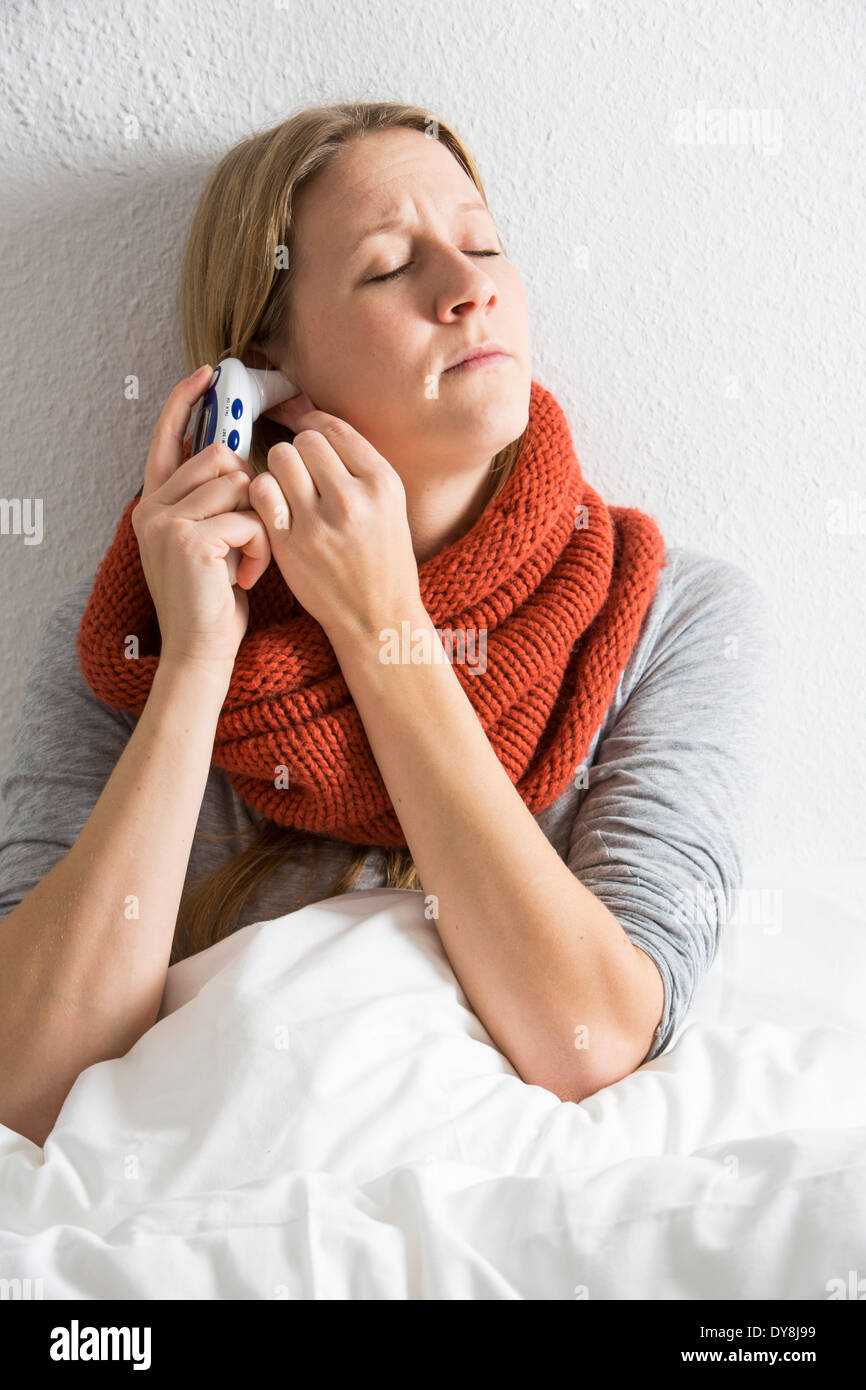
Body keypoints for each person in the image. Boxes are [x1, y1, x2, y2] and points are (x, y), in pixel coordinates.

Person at [0, 102, 775, 1149]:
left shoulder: (670, 618)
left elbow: (594, 1042)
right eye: (385, 267)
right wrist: (195, 663)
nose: (470, 289)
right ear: (266, 370)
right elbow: (28, 1083)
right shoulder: (135, 633)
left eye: (482, 242)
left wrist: (382, 632)